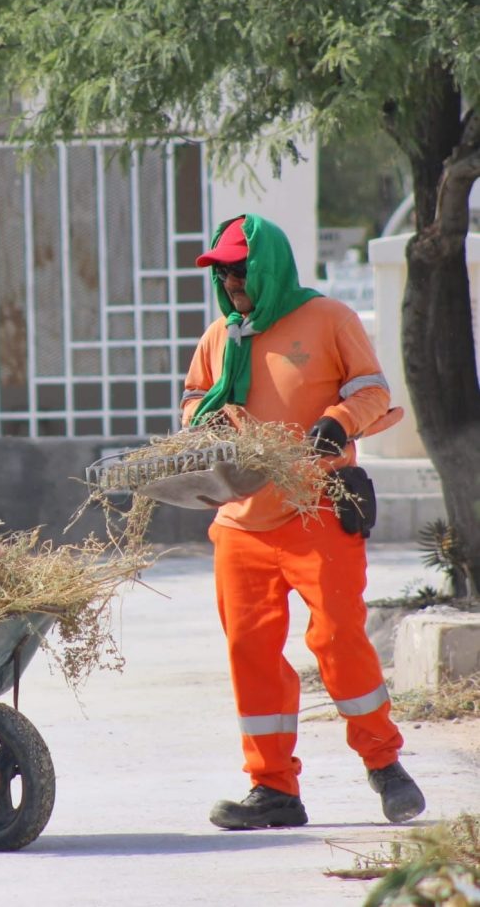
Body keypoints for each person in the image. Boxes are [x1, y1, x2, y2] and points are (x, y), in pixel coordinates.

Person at [181, 213, 425, 831]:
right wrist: (203, 423)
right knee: (250, 652)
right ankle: (273, 789)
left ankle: (384, 763)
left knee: (338, 638)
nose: (232, 283)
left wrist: (337, 422)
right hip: (241, 523)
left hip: (318, 509)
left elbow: (373, 392)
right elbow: (193, 400)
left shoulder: (329, 319)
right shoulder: (220, 337)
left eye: (241, 270)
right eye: (223, 273)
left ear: (269, 267)